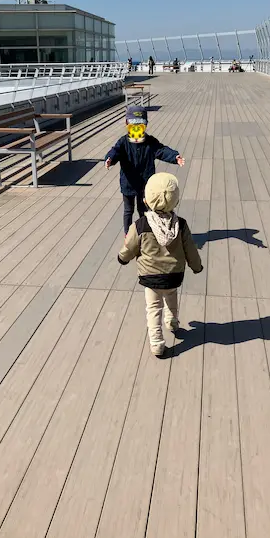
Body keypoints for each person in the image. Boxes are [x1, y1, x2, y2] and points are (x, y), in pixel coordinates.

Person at [118, 172, 203, 356]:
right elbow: (191, 250)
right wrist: (196, 266)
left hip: (150, 276)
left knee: (153, 309)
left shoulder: (140, 225)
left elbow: (129, 247)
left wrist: (122, 258)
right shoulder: (181, 225)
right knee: (171, 295)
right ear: (176, 201)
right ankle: (172, 321)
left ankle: (157, 343)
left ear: (146, 201)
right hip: (173, 274)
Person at [105, 106, 185, 235]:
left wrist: (175, 157)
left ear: (145, 126)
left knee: (144, 210)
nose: (136, 130)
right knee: (128, 210)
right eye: (132, 126)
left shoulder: (150, 142)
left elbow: (162, 150)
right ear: (127, 124)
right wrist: (110, 159)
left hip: (145, 185)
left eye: (140, 126)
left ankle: (145, 233)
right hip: (128, 183)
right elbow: (115, 151)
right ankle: (128, 235)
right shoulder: (123, 142)